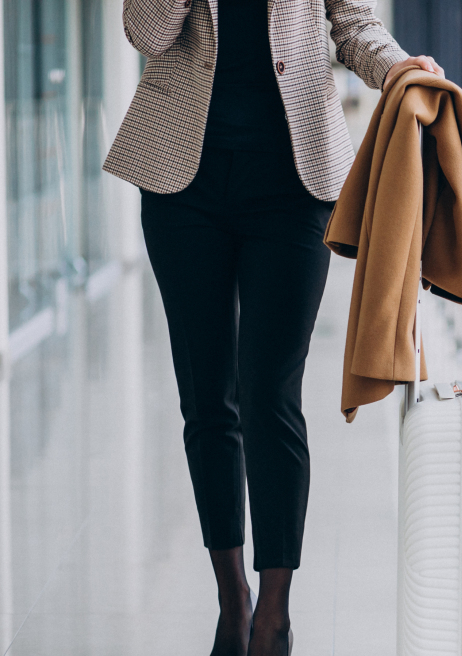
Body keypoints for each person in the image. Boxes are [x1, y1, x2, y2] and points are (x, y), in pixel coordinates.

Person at [101, 0, 443, 653]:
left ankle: (273, 616)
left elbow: (353, 25)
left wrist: (400, 69)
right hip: (184, 185)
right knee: (207, 398)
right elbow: (146, 33)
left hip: (294, 183)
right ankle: (234, 604)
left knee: (272, 395)